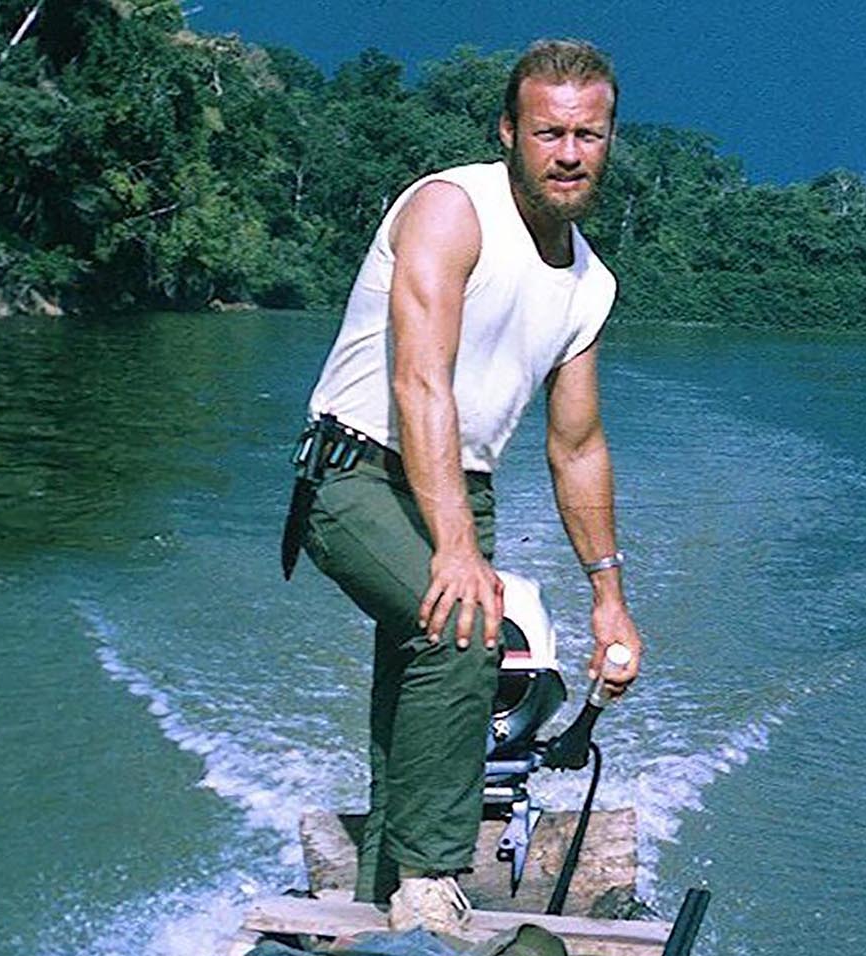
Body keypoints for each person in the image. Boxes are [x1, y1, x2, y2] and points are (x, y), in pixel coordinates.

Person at [282, 39, 642, 937]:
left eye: (587, 135)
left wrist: (610, 601)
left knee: (414, 696)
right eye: (549, 131)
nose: (568, 153)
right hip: (356, 473)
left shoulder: (588, 285)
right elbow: (420, 382)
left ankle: (378, 913)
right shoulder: (452, 209)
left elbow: (579, 447)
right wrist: (454, 550)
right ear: (510, 132)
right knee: (462, 630)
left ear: (608, 140)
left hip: (460, 484)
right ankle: (433, 894)